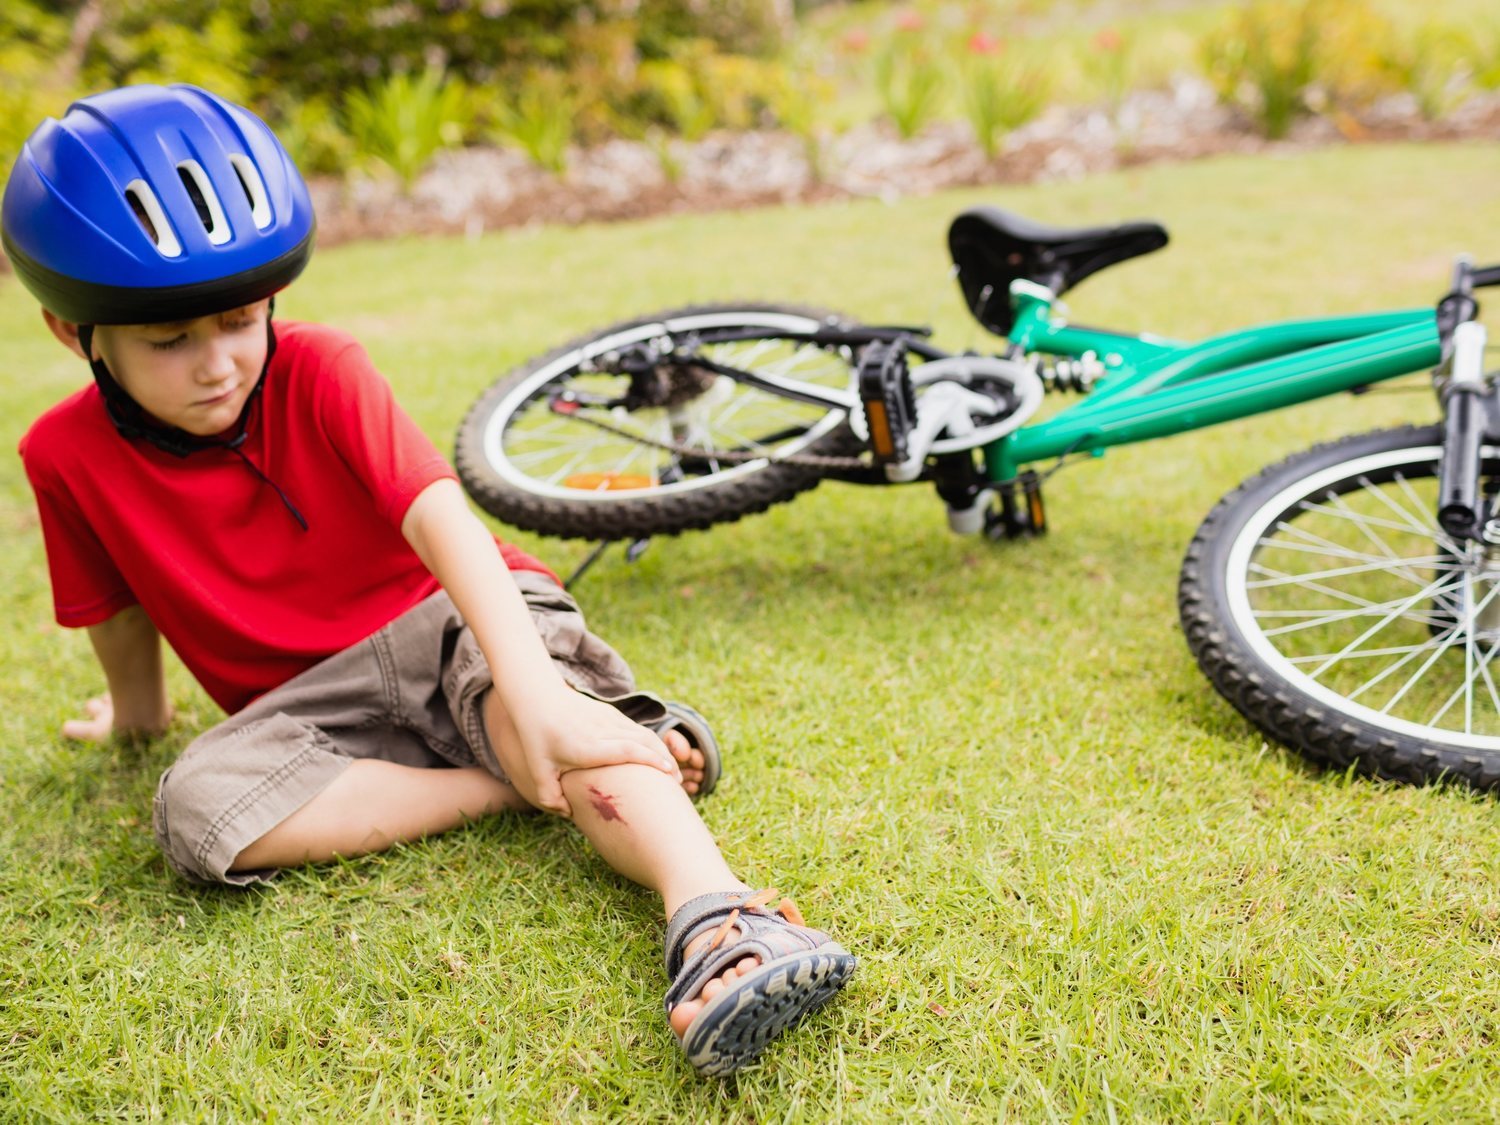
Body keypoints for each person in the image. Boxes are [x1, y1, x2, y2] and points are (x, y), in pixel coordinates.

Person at [4, 83, 854, 1077]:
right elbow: (117, 608)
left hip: (448, 617)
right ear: (76, 334)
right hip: (301, 705)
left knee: (538, 715)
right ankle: (505, 781)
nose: (217, 366)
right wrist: (135, 720)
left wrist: (533, 692)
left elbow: (439, 517)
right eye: (170, 341)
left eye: (239, 321)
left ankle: (721, 919)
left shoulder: (320, 367)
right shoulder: (60, 454)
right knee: (193, 811)